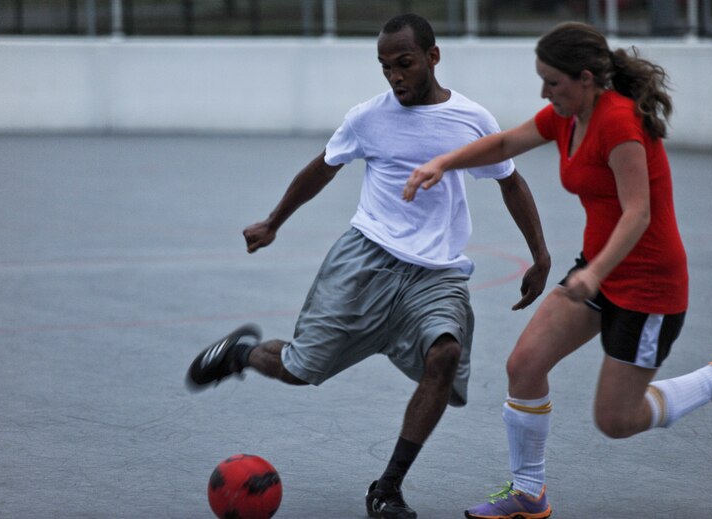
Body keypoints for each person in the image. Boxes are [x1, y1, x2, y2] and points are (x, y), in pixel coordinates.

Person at [186, 13, 551, 519]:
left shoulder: (471, 120)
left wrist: (540, 253)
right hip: (366, 263)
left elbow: (510, 180)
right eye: (385, 67)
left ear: (432, 57)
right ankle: (243, 354)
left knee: (443, 357)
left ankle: (388, 487)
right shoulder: (368, 118)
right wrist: (274, 222)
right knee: (298, 369)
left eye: (404, 64)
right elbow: (324, 166)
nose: (395, 76)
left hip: (436, 273)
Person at [404, 21, 712, 519]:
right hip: (597, 270)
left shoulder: (617, 123)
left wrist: (595, 275)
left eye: (553, 82)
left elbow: (638, 212)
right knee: (523, 366)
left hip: (648, 287)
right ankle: (529, 492)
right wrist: (444, 162)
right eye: (542, 80)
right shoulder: (566, 117)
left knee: (617, 419)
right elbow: (505, 144)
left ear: (587, 79)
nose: (544, 92)